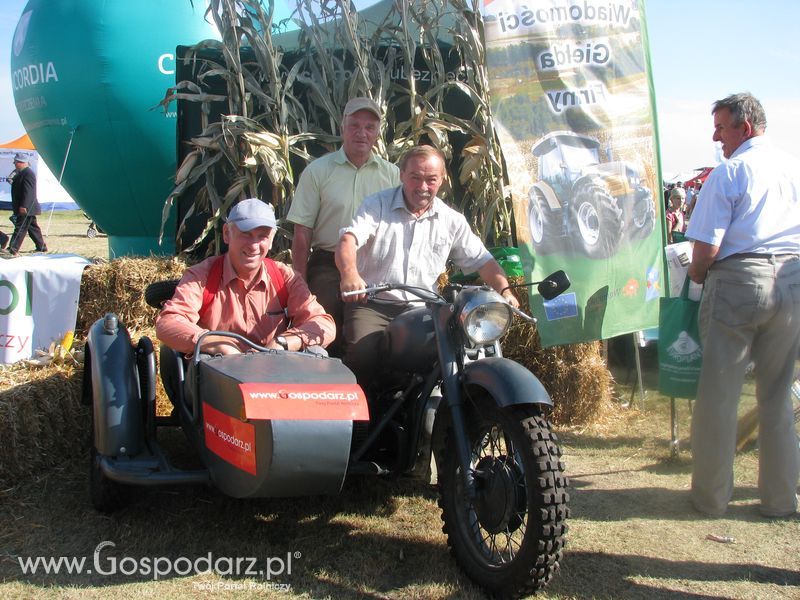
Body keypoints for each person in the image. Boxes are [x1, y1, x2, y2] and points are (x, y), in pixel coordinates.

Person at [686, 92, 800, 518]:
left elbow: (705, 252)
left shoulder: (730, 172)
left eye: (721, 127)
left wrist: (697, 275)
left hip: (739, 282)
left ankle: (711, 498)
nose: (716, 137)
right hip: (793, 281)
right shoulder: (794, 167)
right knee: (776, 395)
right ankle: (779, 500)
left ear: (744, 127)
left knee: (719, 396)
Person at [336, 145, 520, 391]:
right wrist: (350, 274)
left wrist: (505, 291)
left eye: (431, 180)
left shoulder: (451, 220)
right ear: (402, 174)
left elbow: (483, 261)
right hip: (373, 305)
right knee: (363, 354)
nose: (423, 187)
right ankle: (361, 425)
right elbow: (348, 241)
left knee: (454, 353)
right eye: (415, 178)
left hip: (422, 310)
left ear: (442, 180)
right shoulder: (376, 205)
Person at [286, 97, 400, 356]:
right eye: (354, 126)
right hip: (328, 264)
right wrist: (298, 284)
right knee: (323, 319)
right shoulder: (317, 171)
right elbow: (303, 233)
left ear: (378, 133)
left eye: (369, 127)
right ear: (342, 128)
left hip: (375, 266)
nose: (362, 133)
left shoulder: (393, 175)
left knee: (382, 333)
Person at [156, 198, 335, 356]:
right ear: (227, 234)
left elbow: (323, 324)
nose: (254, 245)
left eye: (262, 236)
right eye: (246, 235)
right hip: (219, 374)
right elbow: (168, 322)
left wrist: (284, 342)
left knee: (317, 354)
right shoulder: (202, 275)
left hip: (274, 374)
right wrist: (217, 344)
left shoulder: (284, 277)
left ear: (271, 240)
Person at [5, 153, 47, 255]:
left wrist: (24, 206)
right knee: (33, 228)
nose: (14, 164)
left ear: (20, 162)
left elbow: (29, 192)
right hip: (26, 207)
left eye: (15, 162)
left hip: (26, 207)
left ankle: (13, 249)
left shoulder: (28, 173)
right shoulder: (22, 173)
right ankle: (41, 247)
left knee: (21, 227)